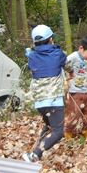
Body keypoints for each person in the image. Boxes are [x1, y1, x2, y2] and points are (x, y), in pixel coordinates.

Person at [22, 24, 66, 162]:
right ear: (51, 39)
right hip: (54, 101)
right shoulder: (58, 54)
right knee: (58, 132)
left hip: (39, 102)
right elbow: (67, 65)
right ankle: (35, 154)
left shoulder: (31, 56)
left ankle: (35, 151)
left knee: (49, 126)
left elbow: (32, 56)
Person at [64, 35, 87, 140]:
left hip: (86, 91)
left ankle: (86, 133)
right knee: (74, 115)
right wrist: (67, 79)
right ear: (81, 48)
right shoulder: (73, 57)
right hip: (75, 91)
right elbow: (62, 64)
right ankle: (68, 134)